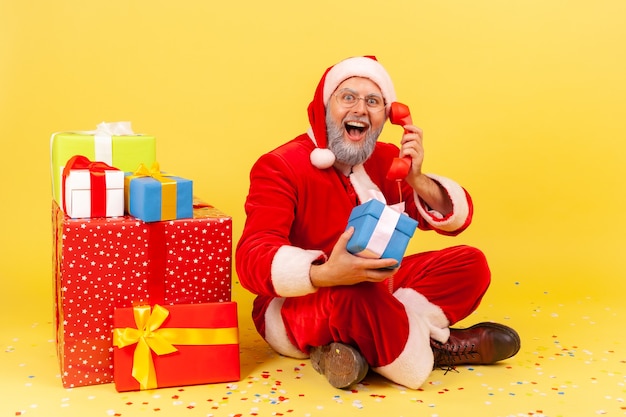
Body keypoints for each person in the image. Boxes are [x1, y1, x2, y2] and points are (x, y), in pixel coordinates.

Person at [235, 56, 520, 390]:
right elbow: (251, 257)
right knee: (356, 298)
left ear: (387, 115)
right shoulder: (280, 165)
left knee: (470, 263)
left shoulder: (386, 160)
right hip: (304, 303)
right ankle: (436, 349)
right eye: (348, 97)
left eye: (373, 101)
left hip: (377, 285)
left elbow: (454, 219)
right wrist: (324, 274)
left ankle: (348, 352)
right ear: (325, 107)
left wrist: (416, 178)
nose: (360, 109)